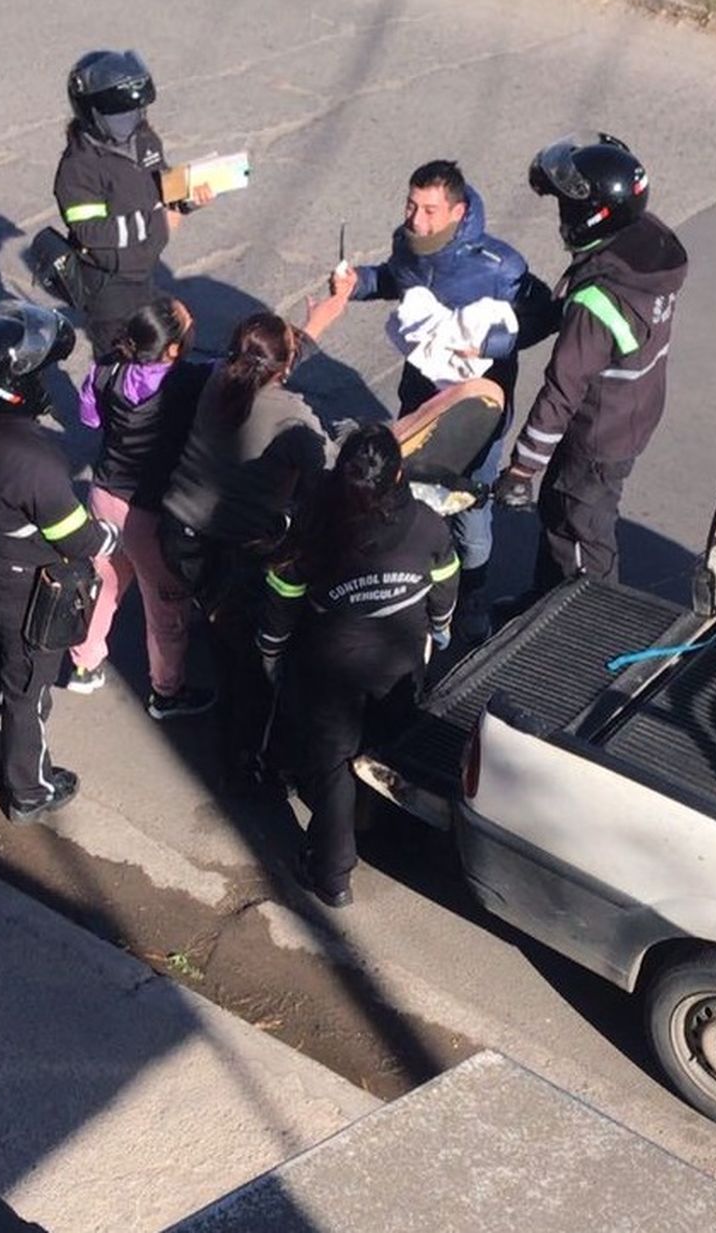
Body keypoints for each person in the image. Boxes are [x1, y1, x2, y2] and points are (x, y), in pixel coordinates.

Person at [333, 160, 547, 642]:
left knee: (470, 503)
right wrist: (359, 283)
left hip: (476, 410)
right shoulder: (407, 242)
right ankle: (418, 579)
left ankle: (471, 592)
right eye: (411, 206)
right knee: (411, 488)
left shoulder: (501, 266)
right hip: (420, 396)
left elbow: (545, 315)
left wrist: (489, 346)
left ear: (458, 211)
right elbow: (394, 278)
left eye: (429, 211)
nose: (416, 220)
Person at [258, 425, 460, 907]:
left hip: (332, 671)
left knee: (333, 770)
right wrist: (441, 626)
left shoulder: (318, 527)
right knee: (393, 753)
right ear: (398, 475)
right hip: (400, 665)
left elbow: (282, 593)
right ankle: (396, 840)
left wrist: (271, 649)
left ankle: (332, 875)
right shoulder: (428, 525)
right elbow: (446, 581)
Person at [0, 301, 119, 824]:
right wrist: (113, 536)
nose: (45, 379)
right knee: (26, 688)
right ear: (11, 388)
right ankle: (28, 791)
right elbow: (78, 538)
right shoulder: (34, 460)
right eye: (38, 372)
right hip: (23, 590)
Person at [159, 292, 348, 766]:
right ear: (285, 367)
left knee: (217, 620)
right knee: (247, 665)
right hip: (233, 551)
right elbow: (328, 476)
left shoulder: (218, 378)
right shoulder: (293, 417)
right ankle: (241, 759)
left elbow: (263, 362)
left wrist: (314, 324)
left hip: (176, 531)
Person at [495, 133, 688, 593]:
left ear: (593, 216)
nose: (562, 213)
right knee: (560, 512)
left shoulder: (598, 303)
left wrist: (521, 469)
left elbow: (562, 391)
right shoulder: (649, 244)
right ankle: (540, 608)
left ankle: (584, 626)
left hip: (599, 431)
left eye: (567, 206)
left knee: (582, 534)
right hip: (631, 412)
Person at [65, 296, 215, 720]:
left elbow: (89, 420)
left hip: (103, 494)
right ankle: (167, 691)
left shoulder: (105, 368)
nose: (193, 324)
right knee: (165, 604)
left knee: (102, 584)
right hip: (146, 514)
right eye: (188, 324)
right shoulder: (188, 381)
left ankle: (83, 663)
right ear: (171, 348)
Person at [54, 49, 209, 358]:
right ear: (93, 112)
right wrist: (155, 220)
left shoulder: (144, 140)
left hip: (143, 273)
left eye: (136, 110)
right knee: (118, 364)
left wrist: (186, 200)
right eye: (121, 113)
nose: (133, 119)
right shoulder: (78, 168)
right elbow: (92, 233)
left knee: (166, 354)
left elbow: (162, 188)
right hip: (109, 287)